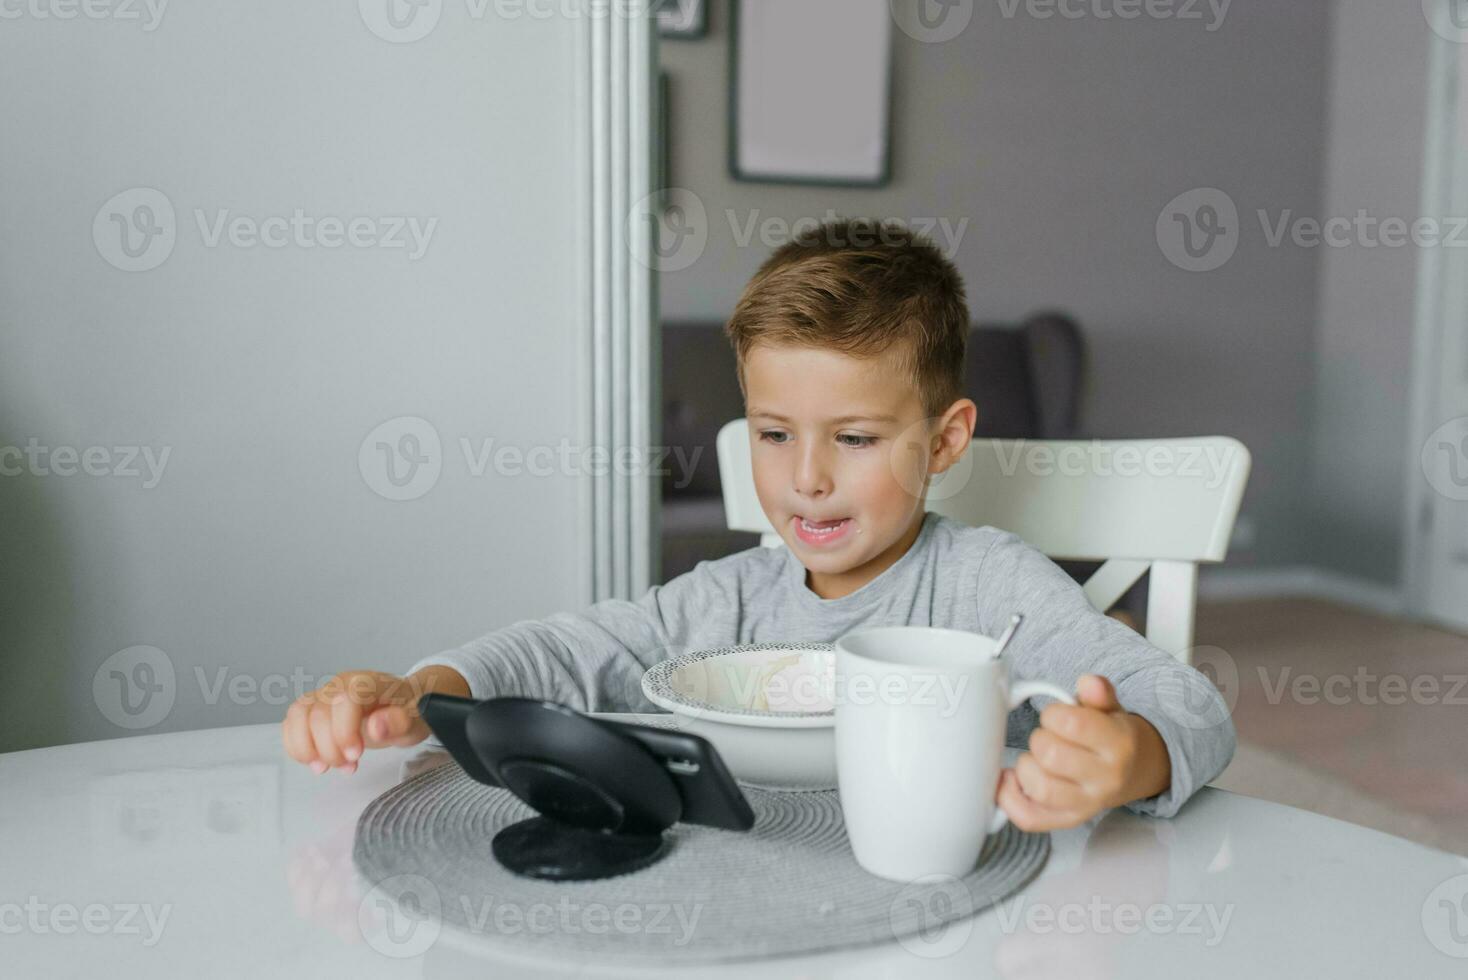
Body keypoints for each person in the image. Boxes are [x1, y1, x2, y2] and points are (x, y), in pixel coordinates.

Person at [281, 218, 1235, 830]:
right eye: (775, 434)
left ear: (946, 443)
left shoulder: (992, 588)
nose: (808, 479)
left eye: (855, 437)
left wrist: (1131, 757)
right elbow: (570, 649)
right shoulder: (732, 599)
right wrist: (421, 690)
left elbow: (1188, 704)